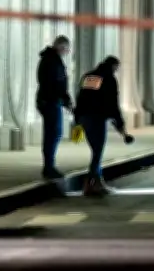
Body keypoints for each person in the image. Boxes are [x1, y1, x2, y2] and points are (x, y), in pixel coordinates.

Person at [74, 56, 134, 196]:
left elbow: (82, 97)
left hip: (84, 117)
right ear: (113, 66)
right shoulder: (109, 79)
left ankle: (98, 182)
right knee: (97, 151)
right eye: (116, 68)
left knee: (96, 150)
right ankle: (90, 183)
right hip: (97, 118)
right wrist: (120, 122)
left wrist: (77, 118)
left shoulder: (90, 76)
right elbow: (112, 103)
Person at [36, 35, 73, 179]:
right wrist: (65, 99)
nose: (66, 53)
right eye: (66, 49)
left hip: (49, 100)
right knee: (53, 134)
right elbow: (56, 84)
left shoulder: (50, 59)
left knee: (53, 133)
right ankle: (49, 167)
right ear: (61, 47)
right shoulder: (52, 61)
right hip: (51, 101)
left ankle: (49, 165)